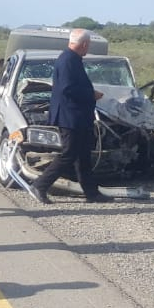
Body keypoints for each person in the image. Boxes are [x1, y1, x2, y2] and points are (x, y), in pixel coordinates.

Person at [31, 29, 112, 205]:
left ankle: (92, 193)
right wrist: (91, 94)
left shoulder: (73, 59)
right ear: (84, 44)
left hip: (78, 117)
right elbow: (68, 88)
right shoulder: (68, 60)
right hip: (70, 117)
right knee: (69, 154)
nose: (88, 48)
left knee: (83, 156)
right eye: (88, 45)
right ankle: (40, 185)